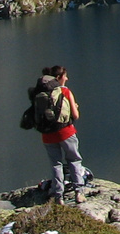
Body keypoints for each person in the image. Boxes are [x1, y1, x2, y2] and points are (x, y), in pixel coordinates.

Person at [30, 65, 89, 202]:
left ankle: (58, 196)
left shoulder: (40, 93)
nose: (67, 78)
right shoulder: (65, 92)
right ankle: (78, 192)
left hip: (47, 135)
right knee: (74, 160)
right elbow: (75, 115)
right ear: (58, 78)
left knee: (56, 164)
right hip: (66, 132)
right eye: (65, 76)